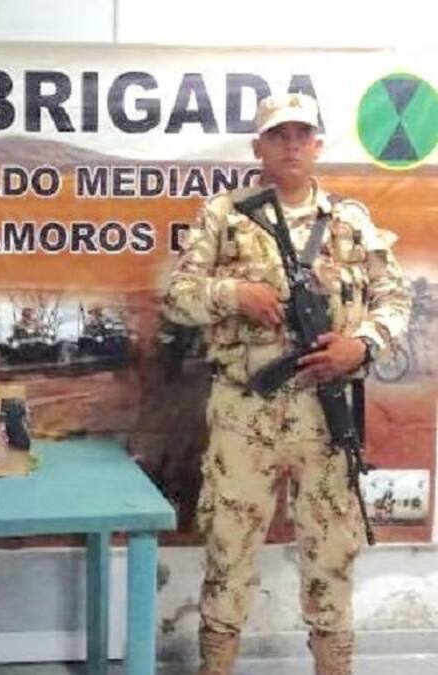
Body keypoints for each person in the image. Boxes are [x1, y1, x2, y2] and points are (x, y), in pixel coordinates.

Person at [163, 93, 410, 675]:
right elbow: (177, 297)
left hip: (326, 415)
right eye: (279, 135)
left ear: (318, 145)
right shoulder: (225, 215)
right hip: (243, 411)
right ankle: (216, 666)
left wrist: (362, 345)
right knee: (229, 547)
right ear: (259, 146)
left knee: (332, 553)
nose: (292, 145)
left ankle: (334, 666)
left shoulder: (350, 222)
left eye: (302, 135)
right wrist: (233, 294)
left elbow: (396, 300)